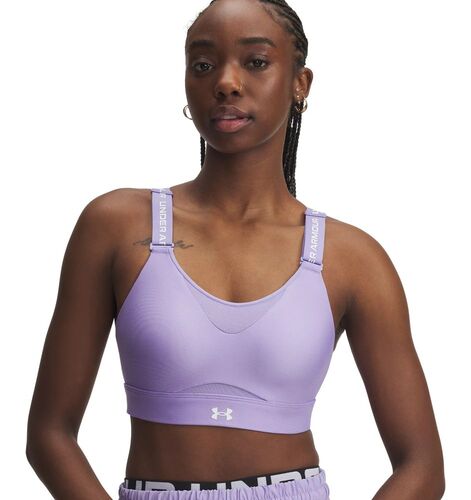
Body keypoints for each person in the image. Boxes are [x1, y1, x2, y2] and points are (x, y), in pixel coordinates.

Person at [26, 0, 445, 498]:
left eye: (256, 61)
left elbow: (422, 467)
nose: (225, 82)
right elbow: (49, 435)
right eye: (203, 65)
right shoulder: (116, 227)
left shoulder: (352, 259)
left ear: (300, 84)